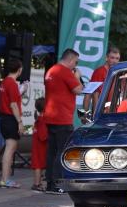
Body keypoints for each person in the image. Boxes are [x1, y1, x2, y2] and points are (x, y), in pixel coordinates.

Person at [44, 48, 83, 194]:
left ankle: (49, 183)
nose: (75, 65)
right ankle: (57, 184)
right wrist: (77, 76)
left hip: (50, 116)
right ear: (71, 60)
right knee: (62, 152)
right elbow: (78, 90)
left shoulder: (51, 70)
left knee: (52, 152)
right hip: (62, 117)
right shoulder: (65, 72)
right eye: (76, 62)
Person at [0, 59, 24, 188]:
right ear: (19, 69)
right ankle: (5, 179)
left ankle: (5, 179)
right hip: (10, 119)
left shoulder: (4, 82)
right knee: (10, 149)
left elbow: (11, 100)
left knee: (9, 149)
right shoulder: (12, 83)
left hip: (5, 118)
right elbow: (13, 105)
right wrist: (19, 122)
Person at [82, 46, 120, 114]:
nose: (115, 61)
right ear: (106, 58)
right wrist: (85, 114)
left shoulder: (118, 73)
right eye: (112, 58)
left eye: (117, 58)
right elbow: (90, 94)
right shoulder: (100, 71)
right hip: (101, 114)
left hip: (114, 113)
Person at [30, 97, 47, 192]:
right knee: (38, 166)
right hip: (40, 149)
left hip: (37, 148)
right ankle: (37, 184)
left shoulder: (38, 120)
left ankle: (38, 183)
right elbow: (43, 136)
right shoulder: (43, 120)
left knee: (38, 166)